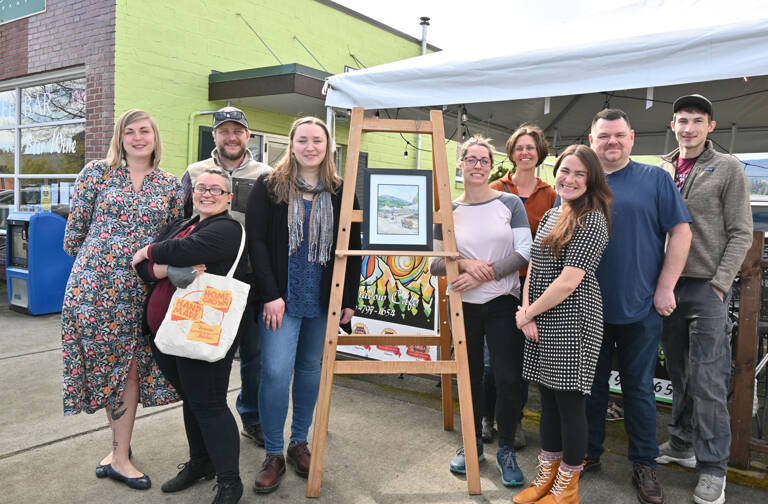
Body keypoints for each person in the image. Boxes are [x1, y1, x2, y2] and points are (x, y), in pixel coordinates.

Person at [61, 109, 184, 490]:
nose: (137, 138)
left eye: (144, 130)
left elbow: (174, 241)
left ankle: (119, 452)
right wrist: (103, 259)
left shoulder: (170, 185)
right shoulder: (96, 174)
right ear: (120, 138)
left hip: (139, 290)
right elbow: (72, 237)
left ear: (154, 136)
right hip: (92, 289)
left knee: (129, 368)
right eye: (129, 132)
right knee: (105, 366)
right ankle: (119, 452)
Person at [246, 116, 361, 494]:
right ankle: (274, 453)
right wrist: (269, 294)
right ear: (291, 144)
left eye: (318, 141)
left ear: (328, 147)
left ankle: (299, 443)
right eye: (303, 140)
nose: (310, 147)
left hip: (322, 298)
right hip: (280, 297)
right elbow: (257, 244)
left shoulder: (342, 191)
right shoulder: (269, 187)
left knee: (311, 370)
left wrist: (347, 300)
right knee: (277, 372)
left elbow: (353, 249)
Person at [584, 108, 692, 504]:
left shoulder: (656, 179)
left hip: (640, 305)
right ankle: (587, 454)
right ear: (592, 140)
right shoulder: (581, 181)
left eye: (618, 135)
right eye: (603, 136)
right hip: (587, 307)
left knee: (639, 390)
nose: (611, 142)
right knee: (589, 389)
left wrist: (666, 286)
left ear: (632, 138)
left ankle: (644, 464)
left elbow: (680, 233)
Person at [657, 94, 753, 504]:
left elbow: (742, 232)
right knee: (678, 372)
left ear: (710, 126)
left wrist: (719, 283)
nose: (688, 128)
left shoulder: (728, 167)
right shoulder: (661, 168)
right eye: (682, 120)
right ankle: (681, 443)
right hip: (666, 286)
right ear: (673, 124)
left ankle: (714, 468)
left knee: (709, 378)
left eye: (697, 121)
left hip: (705, 287)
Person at [132, 168, 247, 504]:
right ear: (192, 193)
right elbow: (140, 268)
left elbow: (181, 252)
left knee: (209, 404)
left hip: (202, 332)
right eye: (200, 188)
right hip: (165, 334)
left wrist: (152, 252)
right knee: (193, 400)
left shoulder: (227, 228)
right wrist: (162, 261)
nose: (206, 194)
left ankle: (230, 481)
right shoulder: (181, 226)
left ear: (229, 197)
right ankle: (201, 462)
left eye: (215, 189)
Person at [431, 135, 531, 487]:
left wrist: (484, 273)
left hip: (504, 303)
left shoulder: (511, 203)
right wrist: (468, 265)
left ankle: (506, 449)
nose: (476, 165)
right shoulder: (447, 211)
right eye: (470, 159)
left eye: (483, 160)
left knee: (507, 379)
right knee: (469, 378)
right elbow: (435, 264)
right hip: (462, 305)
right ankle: (470, 443)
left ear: (492, 166)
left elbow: (524, 253)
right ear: (459, 164)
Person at [513, 144, 611, 504]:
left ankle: (567, 488)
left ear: (592, 179)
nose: (569, 179)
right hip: (541, 316)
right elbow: (535, 267)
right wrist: (526, 311)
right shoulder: (556, 212)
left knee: (570, 405)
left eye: (579, 173)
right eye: (564, 171)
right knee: (548, 402)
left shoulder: (593, 218)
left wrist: (529, 312)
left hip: (574, 318)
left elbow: (569, 281)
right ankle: (546, 479)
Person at [182, 106, 271, 447]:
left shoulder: (265, 174)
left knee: (254, 356)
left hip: (250, 280)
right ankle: (209, 420)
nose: (231, 137)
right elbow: (182, 220)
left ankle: (251, 416)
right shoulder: (195, 172)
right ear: (215, 134)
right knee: (206, 353)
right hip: (205, 281)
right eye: (224, 130)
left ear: (248, 135)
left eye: (238, 130)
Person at [489, 124, 557, 449]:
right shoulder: (495, 189)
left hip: (533, 289)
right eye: (520, 148)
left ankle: (513, 422)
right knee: (494, 359)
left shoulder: (552, 196)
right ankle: (486, 418)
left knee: (521, 360)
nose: (525, 153)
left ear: (539, 152)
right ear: (512, 153)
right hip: (499, 285)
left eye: (531, 147)